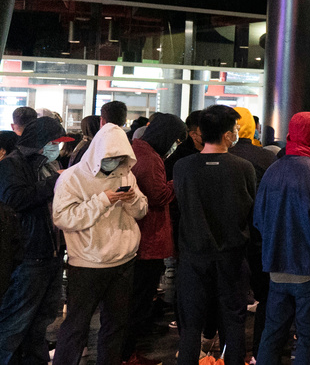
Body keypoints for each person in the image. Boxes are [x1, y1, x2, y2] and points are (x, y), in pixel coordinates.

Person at [51, 122, 148, 365]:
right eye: (110, 156)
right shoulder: (72, 178)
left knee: (116, 325)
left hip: (124, 260)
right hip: (86, 263)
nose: (114, 161)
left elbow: (141, 211)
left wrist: (132, 198)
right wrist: (102, 200)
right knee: (76, 326)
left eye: (120, 157)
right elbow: (63, 218)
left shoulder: (127, 174)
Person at [255, 112, 310, 365]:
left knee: (272, 334)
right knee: (308, 337)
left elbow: (259, 220)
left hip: (276, 267)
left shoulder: (273, 169)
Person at [173, 105, 256, 365]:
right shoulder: (243, 168)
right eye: (234, 129)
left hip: (192, 257)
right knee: (233, 324)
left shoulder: (183, 167)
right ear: (227, 135)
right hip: (232, 257)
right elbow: (250, 211)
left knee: (190, 327)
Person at [0, 116, 65, 365]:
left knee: (42, 321)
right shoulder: (12, 165)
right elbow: (15, 199)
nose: (57, 148)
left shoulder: (49, 164)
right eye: (54, 142)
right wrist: (54, 182)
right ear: (40, 142)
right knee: (16, 321)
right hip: (29, 254)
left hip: (51, 252)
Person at [122, 112, 183, 365]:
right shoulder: (149, 158)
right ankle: (126, 356)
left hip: (140, 237)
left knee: (135, 301)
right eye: (175, 139)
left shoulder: (138, 148)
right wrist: (178, 181)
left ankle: (127, 354)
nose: (175, 144)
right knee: (138, 303)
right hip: (148, 238)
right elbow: (158, 195)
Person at [226, 107, 276, 361]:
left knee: (231, 301)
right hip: (260, 239)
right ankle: (260, 352)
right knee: (266, 298)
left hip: (228, 240)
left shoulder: (220, 156)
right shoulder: (267, 158)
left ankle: (231, 353)